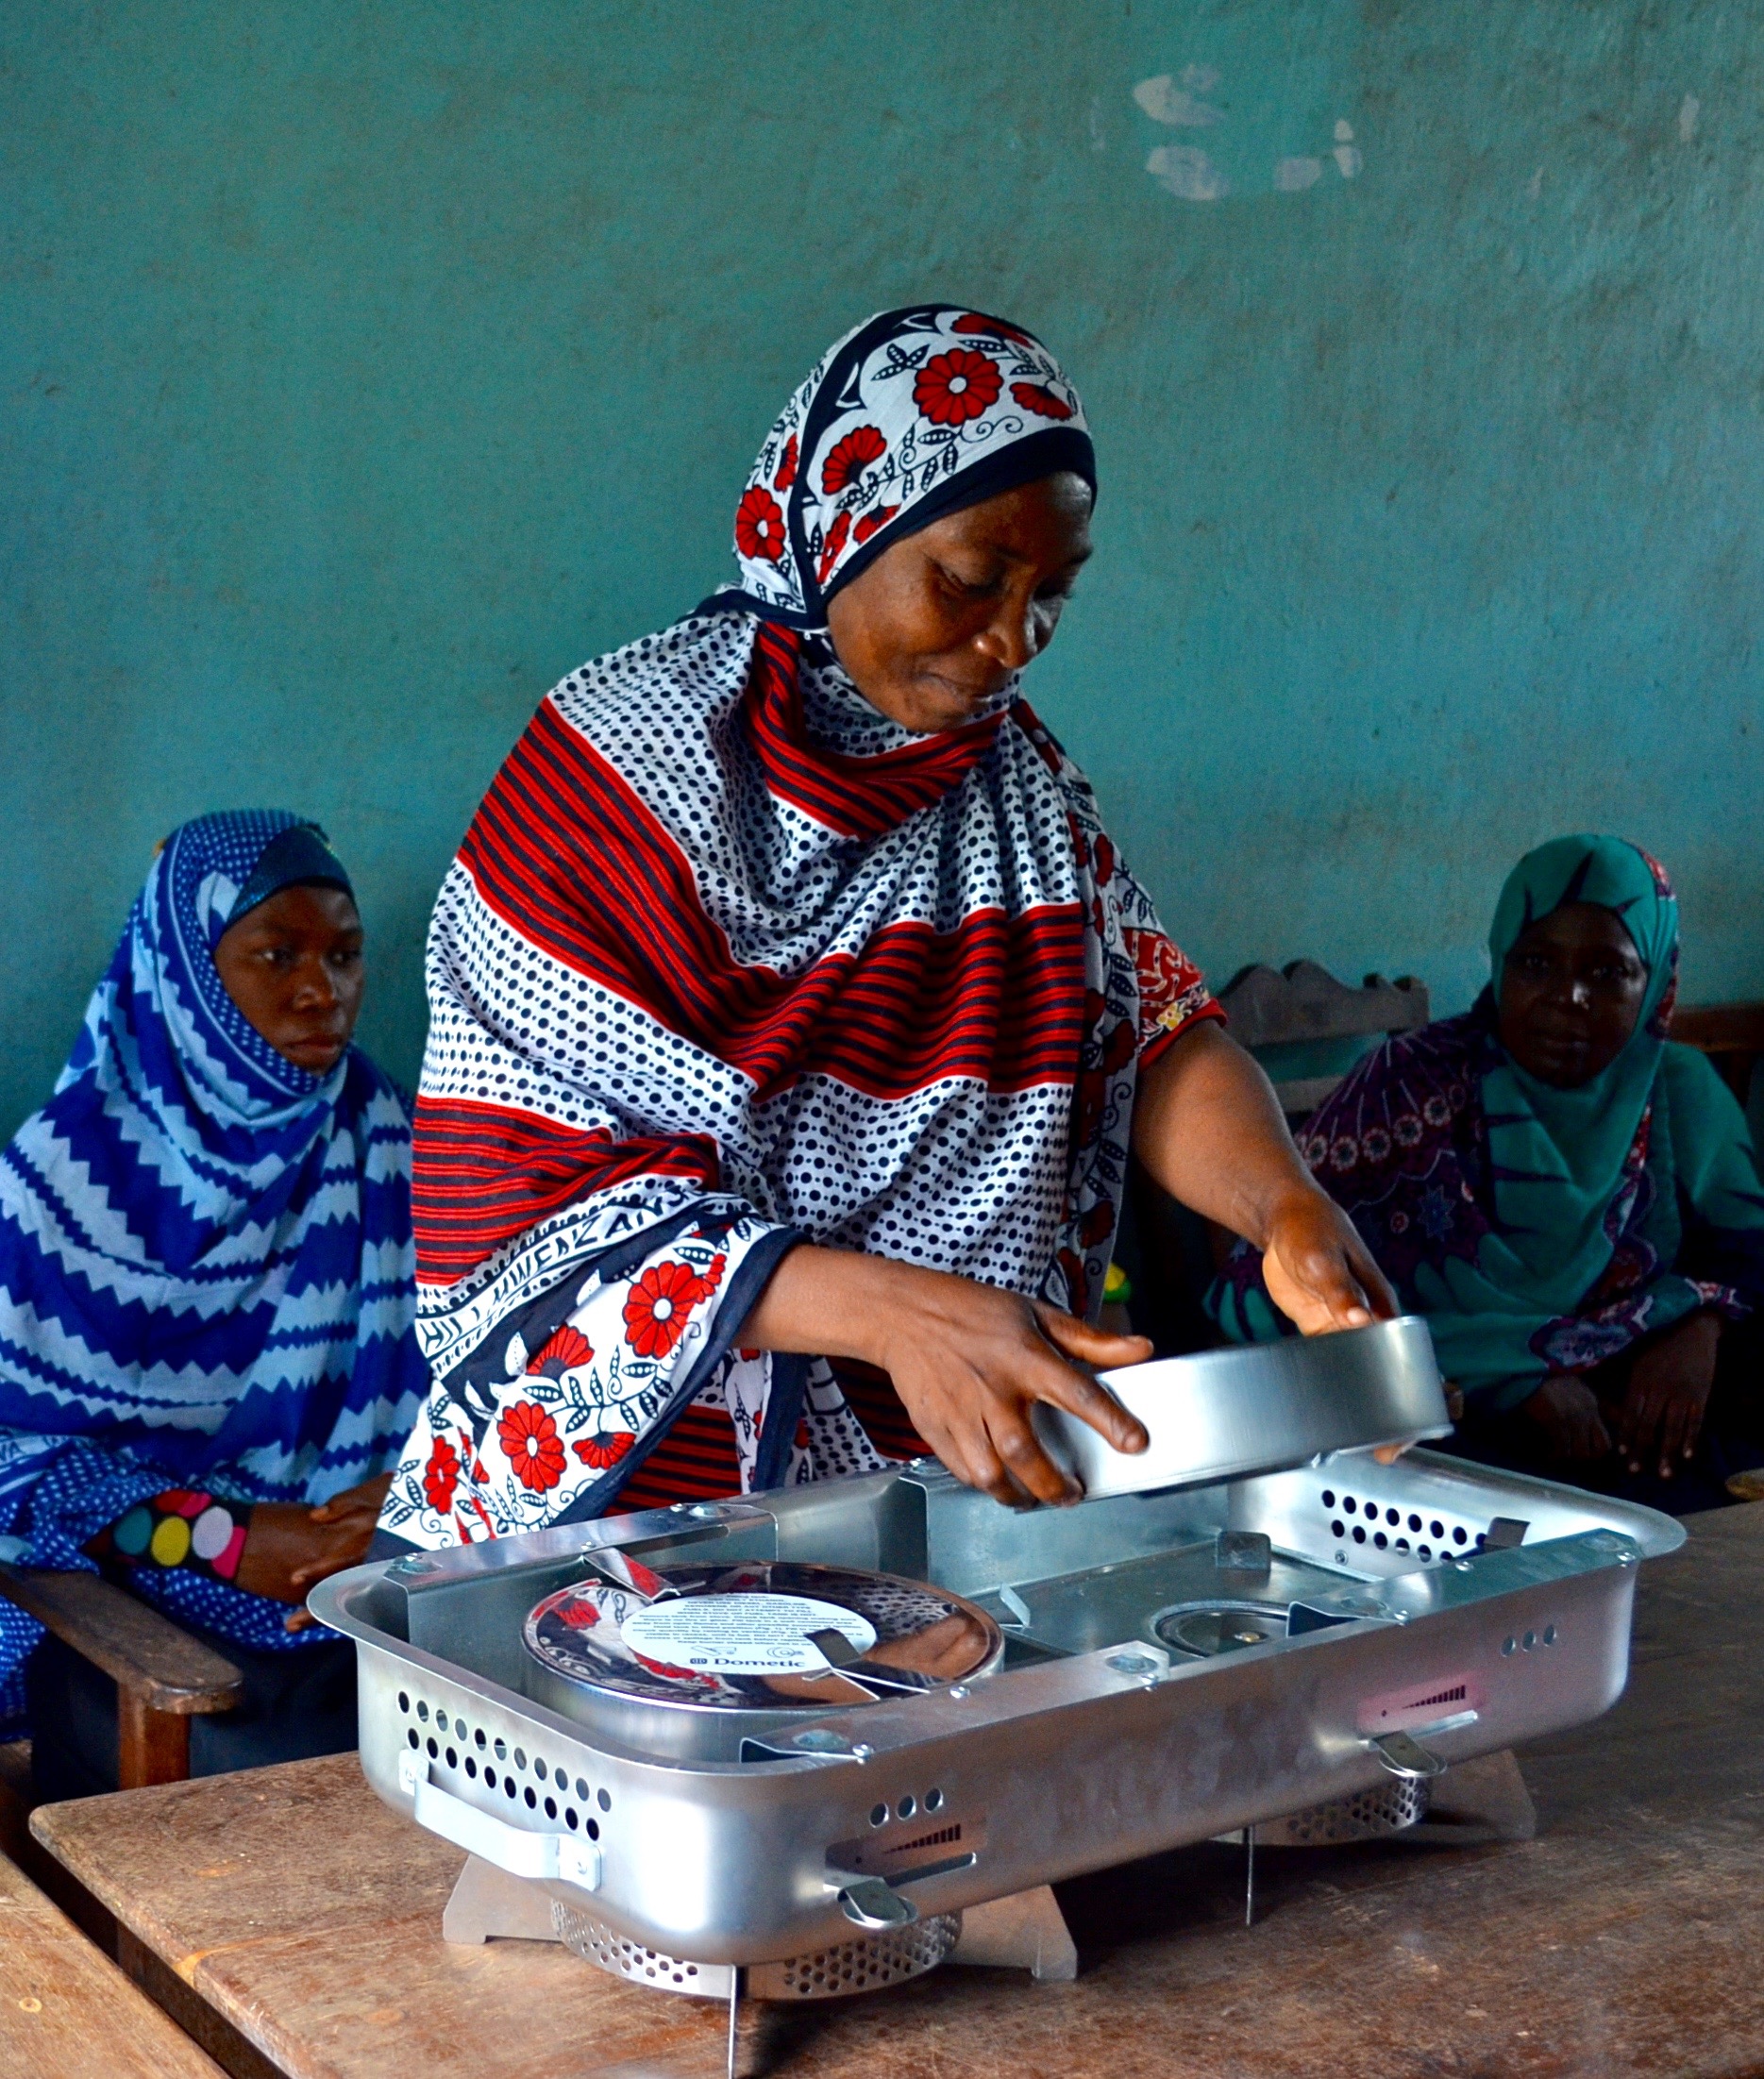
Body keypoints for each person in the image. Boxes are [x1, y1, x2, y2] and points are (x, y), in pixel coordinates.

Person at [377, 304, 1390, 1553]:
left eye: (1051, 596)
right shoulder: (616, 772)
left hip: (938, 1503)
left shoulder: (1015, 783)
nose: (1012, 640)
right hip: (626, 1510)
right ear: (841, 528)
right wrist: (897, 1314)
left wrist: (1282, 1207)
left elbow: (1148, 1023)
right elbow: (522, 1192)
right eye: (969, 580)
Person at [0, 812, 428, 1787]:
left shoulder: (384, 1137)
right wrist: (220, 1537)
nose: (323, 993)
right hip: (140, 1617)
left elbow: (481, 1358)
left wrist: (405, 1502)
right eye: (276, 955)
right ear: (187, 973)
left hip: (368, 1588)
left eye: (348, 956)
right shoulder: (61, 1177)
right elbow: (11, 1466)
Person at [1209, 835, 1764, 1507]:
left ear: (1654, 984)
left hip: (1637, 1438)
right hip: (1452, 1433)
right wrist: (1512, 1373)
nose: (1569, 997)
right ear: (1499, 961)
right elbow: (1266, 1285)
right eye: (1535, 963)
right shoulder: (1407, 1085)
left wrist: (1699, 1328)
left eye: (1608, 972)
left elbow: (1744, 1258)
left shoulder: (1679, 1092)